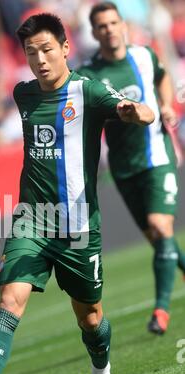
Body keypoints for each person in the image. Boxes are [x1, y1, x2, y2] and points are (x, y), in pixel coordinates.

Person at [0, 12, 154, 374]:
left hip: (79, 228)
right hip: (33, 220)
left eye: (47, 50)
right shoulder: (23, 94)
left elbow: (139, 111)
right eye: (31, 53)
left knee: (91, 317)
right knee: (10, 300)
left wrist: (136, 112)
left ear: (65, 48)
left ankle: (102, 372)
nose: (40, 59)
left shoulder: (90, 91)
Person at [77, 2, 185, 336]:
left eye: (113, 23)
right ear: (94, 33)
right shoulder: (89, 74)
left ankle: (161, 311)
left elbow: (163, 76)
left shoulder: (144, 56)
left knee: (160, 225)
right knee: (157, 238)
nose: (109, 30)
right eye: (102, 26)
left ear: (123, 25)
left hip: (157, 156)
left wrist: (166, 105)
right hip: (124, 167)